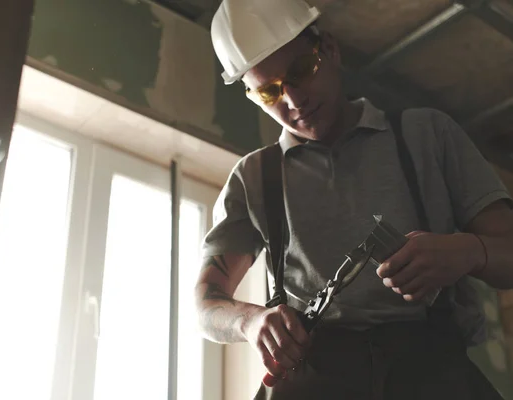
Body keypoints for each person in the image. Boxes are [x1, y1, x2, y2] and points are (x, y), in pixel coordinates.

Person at [194, 0, 513, 399]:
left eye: (301, 71)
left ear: (329, 49)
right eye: (270, 91)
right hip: (315, 376)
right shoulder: (253, 178)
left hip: (430, 371)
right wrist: (251, 323)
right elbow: (206, 305)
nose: (293, 101)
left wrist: (469, 251)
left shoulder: (427, 136)